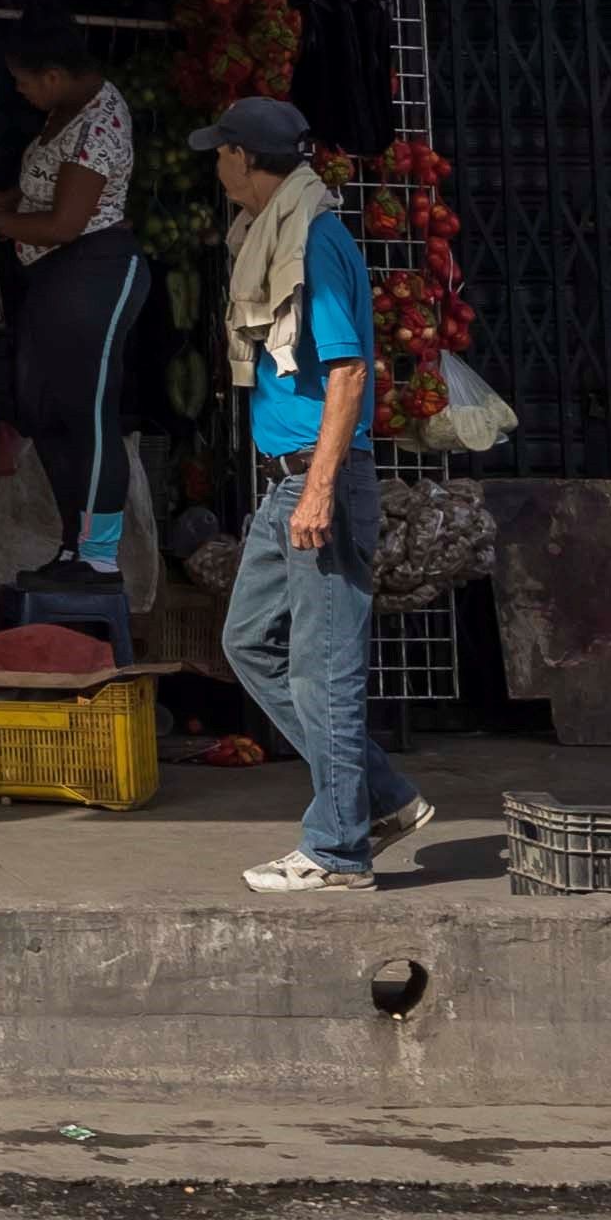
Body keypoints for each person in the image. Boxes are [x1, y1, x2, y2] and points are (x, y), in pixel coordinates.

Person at [203, 96, 429, 893]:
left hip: (317, 477)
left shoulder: (315, 242)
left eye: (222, 152)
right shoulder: (276, 232)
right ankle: (381, 795)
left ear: (244, 158)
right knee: (249, 640)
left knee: (321, 668)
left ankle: (337, 852)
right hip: (285, 481)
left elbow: (349, 372)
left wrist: (320, 490)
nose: (217, 165)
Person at [0, 12, 145, 585]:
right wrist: (0, 198)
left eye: (23, 80)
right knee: (45, 407)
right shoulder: (63, 111)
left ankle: (98, 555)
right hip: (56, 277)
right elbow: (48, 187)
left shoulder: (99, 122)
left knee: (88, 409)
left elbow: (66, 222)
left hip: (94, 269)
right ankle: (74, 547)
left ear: (52, 75)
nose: (19, 90)